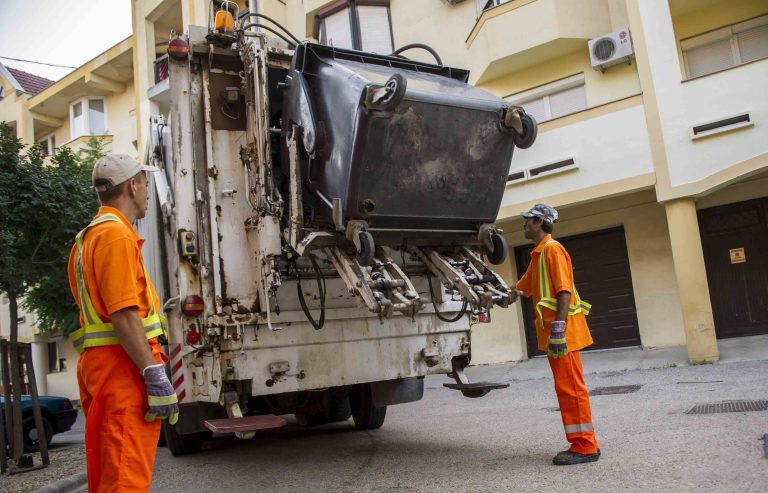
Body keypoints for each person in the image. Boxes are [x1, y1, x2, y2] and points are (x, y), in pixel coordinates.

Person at [67, 154, 179, 492]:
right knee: (124, 477)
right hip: (123, 371)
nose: (147, 191)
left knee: (109, 474)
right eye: (145, 183)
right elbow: (123, 314)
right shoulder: (116, 236)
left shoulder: (87, 238)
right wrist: (152, 372)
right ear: (133, 186)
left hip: (102, 368)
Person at [514, 204, 600, 465]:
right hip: (555, 336)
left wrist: (558, 330)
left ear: (539, 222)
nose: (524, 225)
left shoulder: (553, 250)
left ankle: (585, 447)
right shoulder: (538, 254)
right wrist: (492, 294)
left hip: (562, 335)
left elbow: (564, 291)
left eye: (528, 221)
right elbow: (522, 289)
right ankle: (582, 443)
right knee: (566, 389)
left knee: (572, 389)